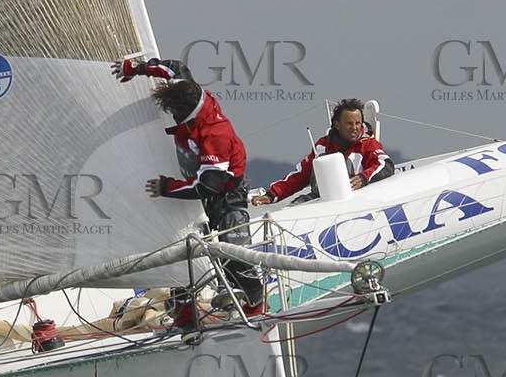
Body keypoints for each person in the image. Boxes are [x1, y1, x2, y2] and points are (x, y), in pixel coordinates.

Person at [114, 56, 266, 321]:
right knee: (183, 242)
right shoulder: (185, 88)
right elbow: (172, 67)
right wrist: (136, 69)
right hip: (199, 184)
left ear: (186, 111)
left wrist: (167, 187)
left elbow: (207, 186)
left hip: (226, 195)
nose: (172, 115)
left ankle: (255, 303)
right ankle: (183, 309)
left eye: (174, 112)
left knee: (232, 250)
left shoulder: (214, 135)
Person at [253, 97, 392, 205]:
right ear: (337, 125)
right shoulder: (322, 146)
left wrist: (363, 178)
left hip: (353, 202)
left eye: (358, 123)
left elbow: (385, 164)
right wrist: (271, 195)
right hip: (320, 200)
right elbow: (300, 175)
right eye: (349, 124)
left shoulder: (368, 144)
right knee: (293, 207)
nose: (355, 128)